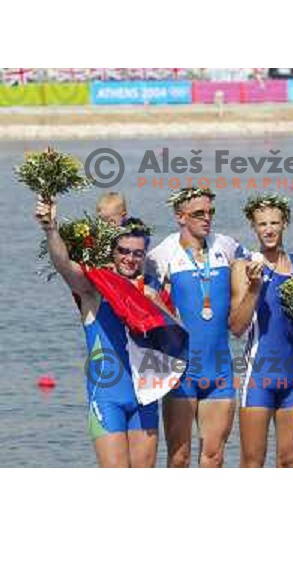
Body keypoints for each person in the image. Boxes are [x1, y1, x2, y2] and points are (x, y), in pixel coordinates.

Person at [35, 198, 159, 467]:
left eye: (137, 253)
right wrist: (51, 229)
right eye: (124, 251)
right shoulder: (94, 289)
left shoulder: (154, 289)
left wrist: (156, 302)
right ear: (113, 252)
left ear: (145, 255)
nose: (130, 258)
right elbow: (64, 265)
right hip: (108, 397)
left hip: (146, 397)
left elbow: (177, 336)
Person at [145, 188, 250, 468]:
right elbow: (139, 296)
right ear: (180, 217)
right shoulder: (161, 254)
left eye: (210, 212)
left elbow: (263, 262)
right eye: (198, 214)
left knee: (214, 457)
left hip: (220, 370)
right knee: (179, 458)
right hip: (181, 371)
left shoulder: (225, 245)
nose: (207, 219)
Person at [230, 193, 293, 468]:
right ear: (253, 227)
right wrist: (255, 287)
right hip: (259, 375)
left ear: (285, 224)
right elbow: (236, 326)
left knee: (291, 460)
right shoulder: (244, 267)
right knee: (253, 461)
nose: (268, 229)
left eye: (274, 223)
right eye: (262, 224)